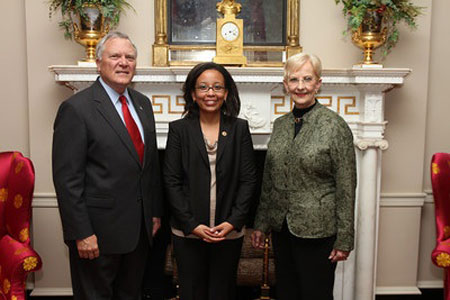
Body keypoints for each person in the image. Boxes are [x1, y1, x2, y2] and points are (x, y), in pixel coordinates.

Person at [52, 31, 163, 300]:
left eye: (130, 57)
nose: (124, 62)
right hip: (97, 234)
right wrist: (82, 233)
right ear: (99, 63)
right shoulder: (77, 109)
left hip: (138, 233)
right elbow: (68, 180)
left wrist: (154, 212)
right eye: (115, 56)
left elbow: (148, 167)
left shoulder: (143, 104)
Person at [251, 53, 357, 300]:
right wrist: (261, 223)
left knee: (315, 294)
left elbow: (346, 185)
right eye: (294, 79)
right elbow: (270, 179)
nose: (300, 86)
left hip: (319, 231)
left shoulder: (334, 126)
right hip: (282, 228)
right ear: (285, 84)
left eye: (307, 79)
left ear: (318, 83)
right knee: (287, 291)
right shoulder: (280, 125)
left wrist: (344, 238)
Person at [163, 62, 257, 300]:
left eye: (217, 87)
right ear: (193, 94)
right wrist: (191, 224)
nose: (210, 93)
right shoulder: (179, 130)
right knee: (191, 292)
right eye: (203, 87)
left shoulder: (239, 129)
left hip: (228, 232)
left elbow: (248, 179)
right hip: (188, 232)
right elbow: (171, 181)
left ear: (226, 93)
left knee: (222, 292)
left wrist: (234, 221)